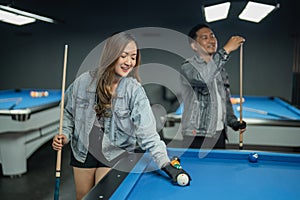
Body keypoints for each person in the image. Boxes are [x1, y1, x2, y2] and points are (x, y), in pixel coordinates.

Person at [52, 32, 190, 200]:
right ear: (111, 55)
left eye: (133, 57)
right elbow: (66, 111)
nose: (129, 62)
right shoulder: (83, 81)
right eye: (124, 56)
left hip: (114, 152)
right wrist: (65, 135)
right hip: (83, 150)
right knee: (83, 197)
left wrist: (165, 164)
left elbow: (148, 133)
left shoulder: (134, 90)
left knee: (101, 196)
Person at [180, 24, 247, 149]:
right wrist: (226, 50)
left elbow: (224, 101)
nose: (211, 40)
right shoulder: (188, 66)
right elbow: (203, 79)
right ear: (194, 45)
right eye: (205, 37)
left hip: (219, 134)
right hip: (197, 135)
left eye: (212, 36)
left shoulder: (220, 70)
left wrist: (233, 122)